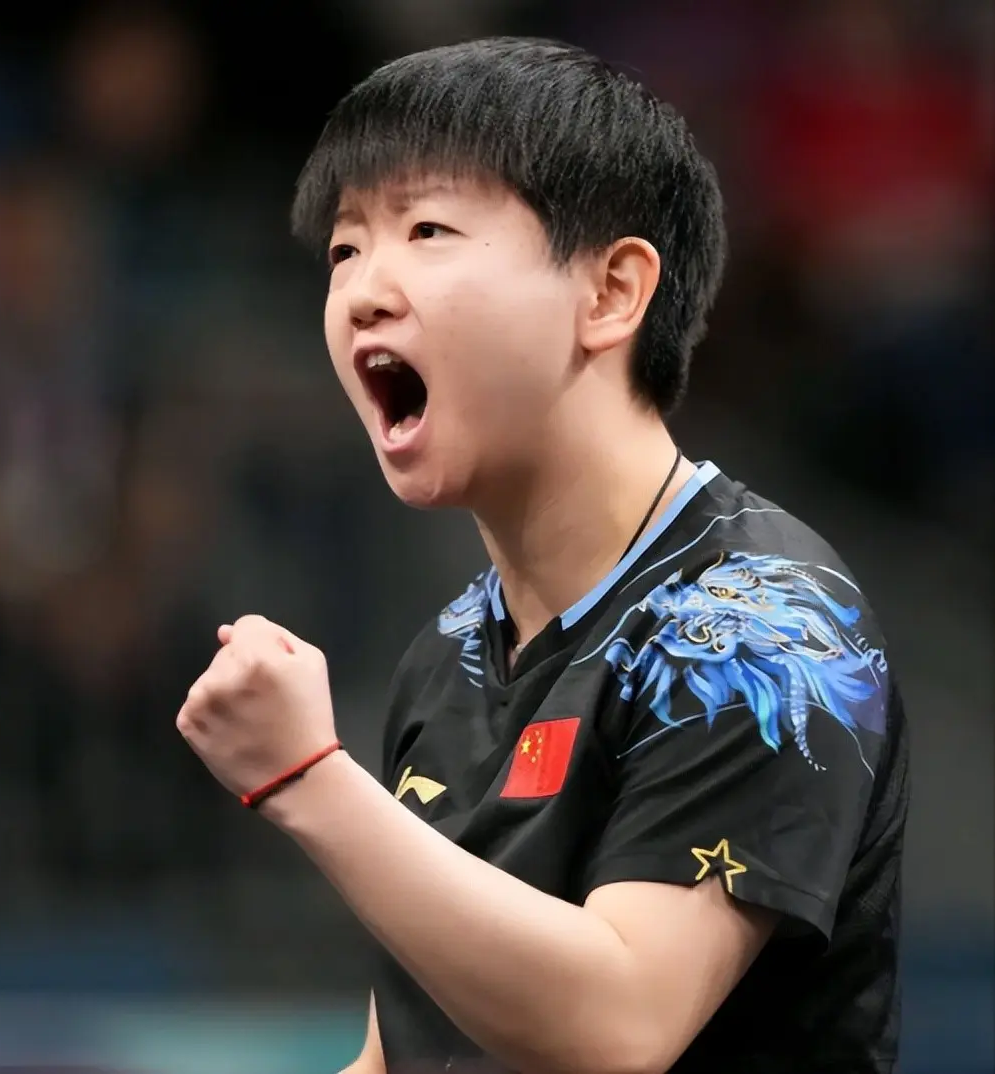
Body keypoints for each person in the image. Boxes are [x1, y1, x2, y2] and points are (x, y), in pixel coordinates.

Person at [177, 37, 908, 1073]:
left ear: (611, 292)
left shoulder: (762, 623)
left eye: (427, 230)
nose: (364, 292)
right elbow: (399, 1059)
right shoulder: (450, 653)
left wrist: (306, 777)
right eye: (345, 249)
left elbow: (622, 1023)